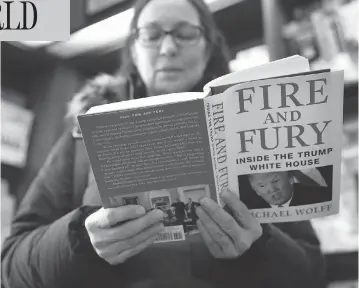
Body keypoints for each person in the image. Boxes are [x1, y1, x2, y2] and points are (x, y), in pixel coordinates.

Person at [1, 0, 327, 287]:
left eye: (185, 33)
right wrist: (80, 239)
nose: (168, 48)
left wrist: (258, 247)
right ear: (133, 49)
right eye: (152, 34)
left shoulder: (256, 136)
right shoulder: (81, 136)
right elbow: (11, 267)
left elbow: (311, 273)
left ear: (209, 46)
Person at [245, 171, 332, 209]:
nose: (272, 189)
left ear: (290, 178)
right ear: (256, 190)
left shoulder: (319, 196)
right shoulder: (247, 207)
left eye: (276, 181)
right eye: (262, 185)